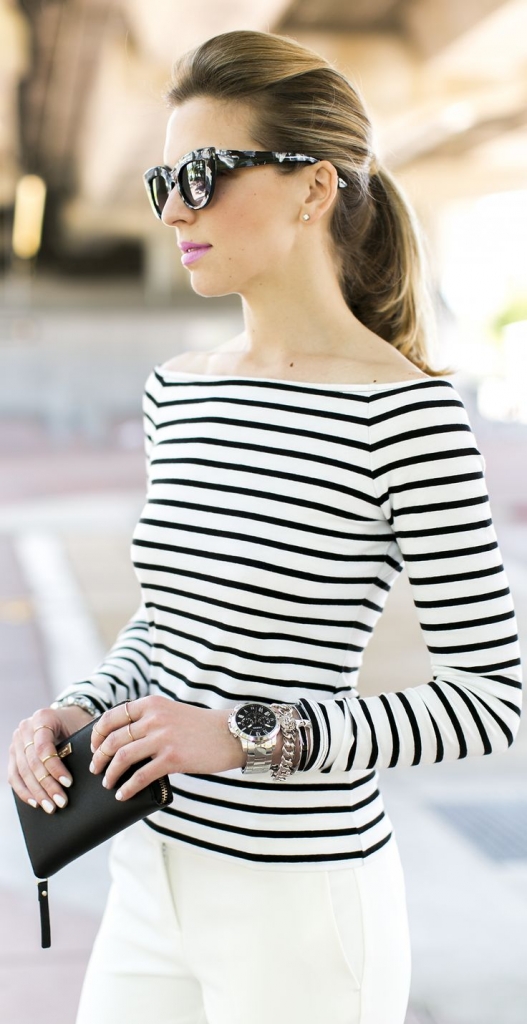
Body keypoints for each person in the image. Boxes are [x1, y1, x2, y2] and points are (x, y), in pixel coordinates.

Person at [8, 29, 522, 1024]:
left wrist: (241, 734)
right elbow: (170, 624)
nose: (174, 209)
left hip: (302, 916)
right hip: (147, 881)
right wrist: (80, 706)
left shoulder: (405, 416)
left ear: (312, 187)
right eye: (163, 180)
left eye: (202, 174)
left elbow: (489, 701)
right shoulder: (178, 392)